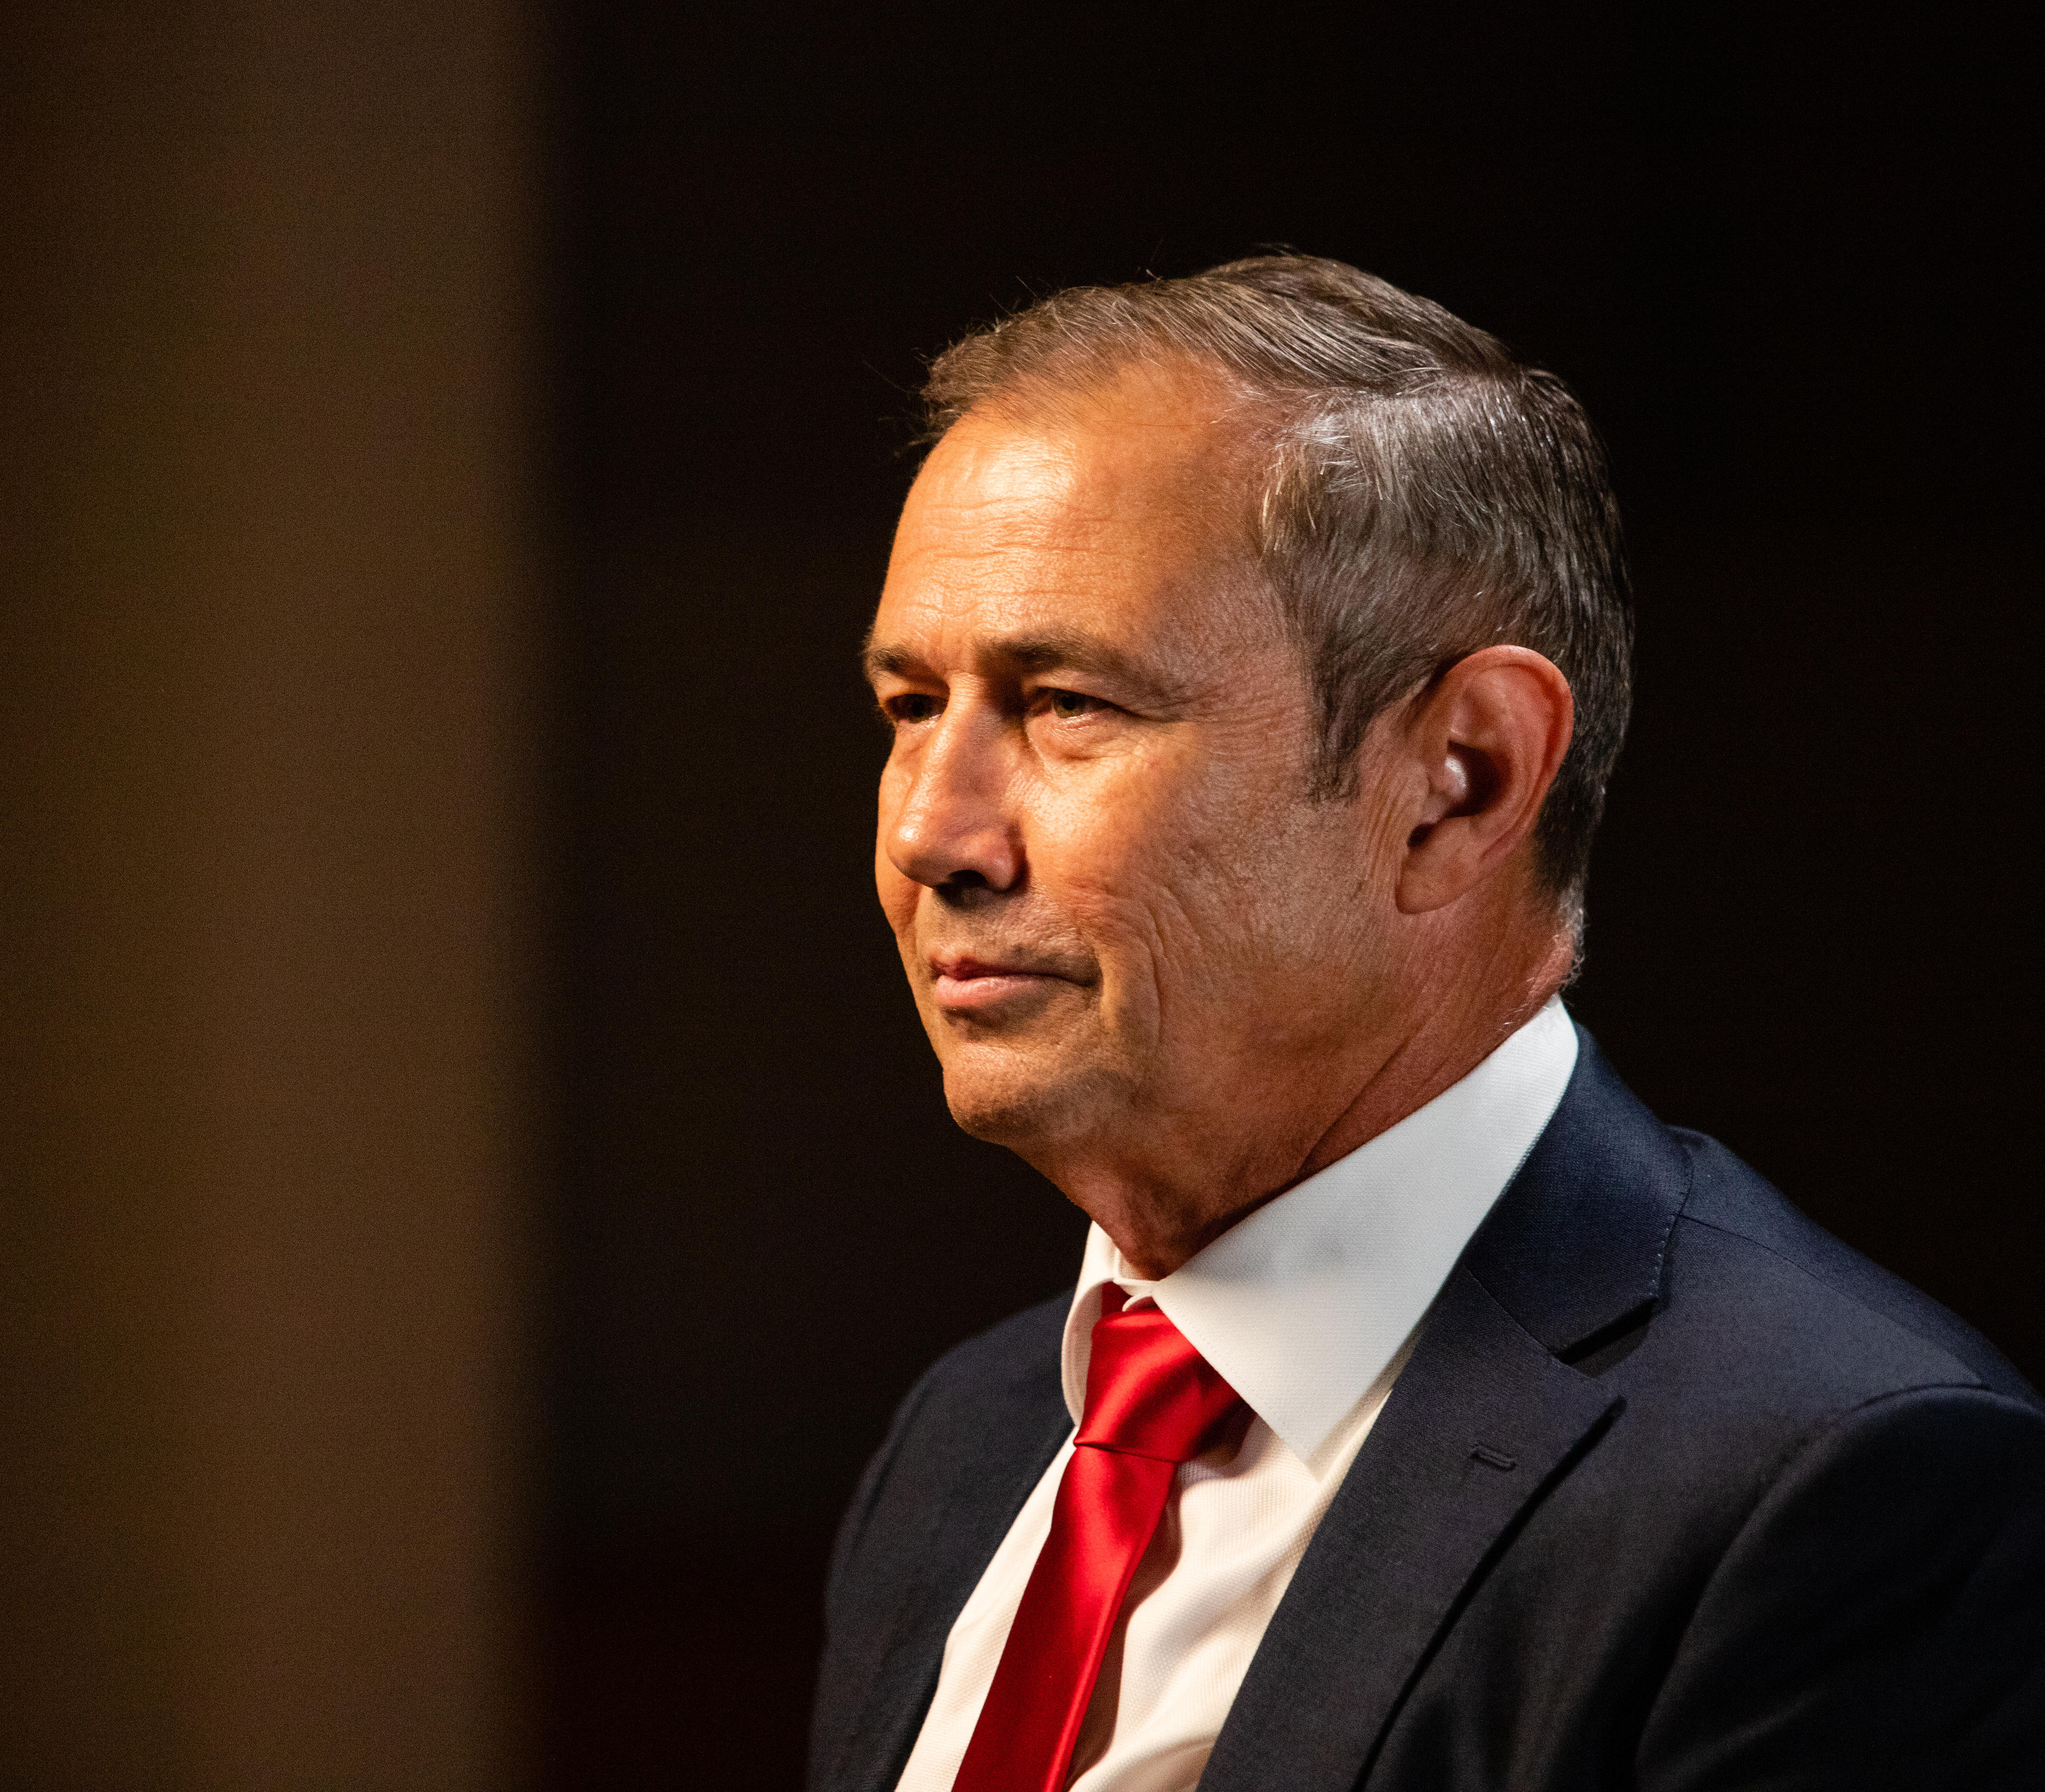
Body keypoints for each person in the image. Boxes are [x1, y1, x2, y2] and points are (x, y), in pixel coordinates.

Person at [808, 254, 2043, 1792]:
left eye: (1069, 702)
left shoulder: (1837, 1483)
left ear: (1459, 781)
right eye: (911, 706)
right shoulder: (965, 1439)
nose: (935, 833)